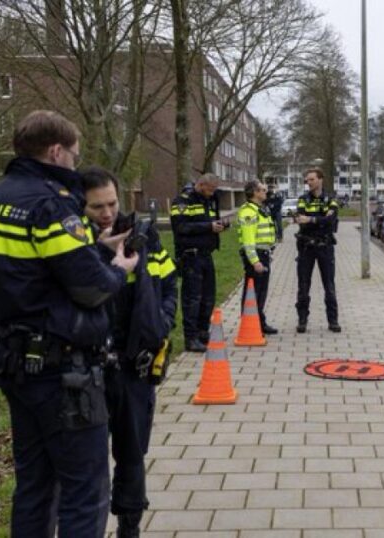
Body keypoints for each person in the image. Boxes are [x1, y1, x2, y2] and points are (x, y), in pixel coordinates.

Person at [0, 110, 138, 537]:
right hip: (64, 373)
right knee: (84, 491)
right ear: (56, 151)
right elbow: (91, 288)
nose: (75, 163)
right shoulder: (50, 205)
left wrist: (94, 248)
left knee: (34, 487)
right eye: (74, 155)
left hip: (12, 363)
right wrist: (118, 268)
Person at [81, 167, 177, 538]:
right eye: (96, 207)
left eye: (112, 203)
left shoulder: (143, 235)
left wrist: (162, 322)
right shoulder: (73, 242)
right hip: (88, 367)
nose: (107, 213)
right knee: (87, 460)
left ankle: (130, 526)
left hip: (134, 365)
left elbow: (168, 283)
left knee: (132, 454)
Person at [170, 173, 226, 352]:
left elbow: (208, 221)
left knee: (208, 297)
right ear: (201, 185)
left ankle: (203, 332)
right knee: (192, 299)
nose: (212, 193)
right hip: (190, 256)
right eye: (210, 189)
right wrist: (209, 227)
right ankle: (190, 338)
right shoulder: (182, 201)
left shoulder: (208, 201)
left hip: (206, 254)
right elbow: (181, 227)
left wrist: (220, 225)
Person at [294, 167, 341, 333]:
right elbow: (300, 219)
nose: (309, 182)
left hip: (325, 247)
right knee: (303, 285)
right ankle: (302, 320)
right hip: (306, 247)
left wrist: (311, 219)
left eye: (312, 179)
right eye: (307, 180)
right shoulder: (303, 199)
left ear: (320, 180)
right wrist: (320, 219)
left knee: (329, 285)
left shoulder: (331, 199)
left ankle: (333, 321)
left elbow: (330, 220)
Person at [237, 180, 278, 334]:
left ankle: (259, 322)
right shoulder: (249, 212)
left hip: (263, 254)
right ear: (255, 192)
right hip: (256, 256)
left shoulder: (260, 209)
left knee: (261, 292)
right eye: (262, 190)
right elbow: (248, 241)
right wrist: (255, 261)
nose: (265, 192)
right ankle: (249, 326)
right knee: (253, 292)